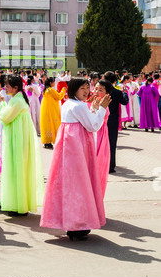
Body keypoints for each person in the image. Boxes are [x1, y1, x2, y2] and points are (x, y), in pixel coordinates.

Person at [40, 77, 111, 240]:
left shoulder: (67, 104)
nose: (86, 91)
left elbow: (86, 120)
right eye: (82, 88)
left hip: (67, 152)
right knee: (80, 186)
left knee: (67, 186)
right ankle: (78, 225)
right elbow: (93, 126)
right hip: (78, 152)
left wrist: (93, 109)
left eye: (88, 87)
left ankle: (69, 223)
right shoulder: (79, 106)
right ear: (74, 90)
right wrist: (101, 109)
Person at [0, 75, 45, 216]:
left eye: (7, 86)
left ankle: (16, 205)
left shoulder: (17, 101)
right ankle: (18, 203)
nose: (5, 88)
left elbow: (5, 117)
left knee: (15, 169)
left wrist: (0, 103)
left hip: (17, 141)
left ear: (15, 87)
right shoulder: (18, 99)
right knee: (20, 170)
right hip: (19, 140)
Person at [90, 79, 112, 197]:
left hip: (100, 137)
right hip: (92, 136)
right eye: (96, 88)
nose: (97, 91)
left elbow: (95, 122)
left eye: (100, 90)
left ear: (107, 94)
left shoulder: (104, 105)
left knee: (98, 168)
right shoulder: (92, 101)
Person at [104, 71, 129, 173]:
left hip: (101, 120)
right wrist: (124, 92)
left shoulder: (101, 92)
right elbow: (125, 101)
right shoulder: (117, 92)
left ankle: (101, 164)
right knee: (112, 144)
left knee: (101, 143)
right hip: (113, 120)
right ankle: (111, 166)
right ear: (115, 81)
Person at [40, 77, 66, 149]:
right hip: (51, 110)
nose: (54, 83)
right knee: (53, 123)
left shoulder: (45, 90)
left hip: (46, 110)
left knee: (47, 124)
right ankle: (52, 141)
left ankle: (47, 142)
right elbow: (59, 97)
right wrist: (63, 90)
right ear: (51, 83)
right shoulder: (51, 90)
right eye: (54, 82)